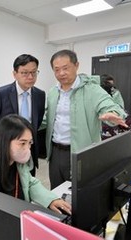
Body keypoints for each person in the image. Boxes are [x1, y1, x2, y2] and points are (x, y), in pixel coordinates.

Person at [0, 114, 71, 240]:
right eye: (22, 143)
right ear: (5, 141)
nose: (27, 148)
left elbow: (30, 182)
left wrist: (50, 199)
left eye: (29, 143)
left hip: (17, 224)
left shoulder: (17, 163)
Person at [44, 49, 127, 189]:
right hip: (55, 153)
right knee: (56, 191)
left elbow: (108, 104)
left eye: (65, 68)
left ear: (76, 65)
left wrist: (112, 113)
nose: (61, 73)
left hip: (81, 152)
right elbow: (48, 118)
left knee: (79, 195)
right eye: (56, 70)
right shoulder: (53, 92)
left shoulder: (92, 90)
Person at [0, 54, 45, 176]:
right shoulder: (1, 93)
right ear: (15, 73)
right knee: (8, 187)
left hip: (29, 150)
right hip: (6, 151)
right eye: (24, 73)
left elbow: (37, 121)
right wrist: (3, 143)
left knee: (28, 183)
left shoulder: (40, 95)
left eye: (34, 72)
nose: (30, 76)